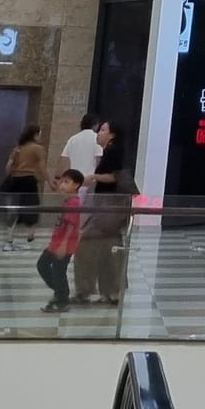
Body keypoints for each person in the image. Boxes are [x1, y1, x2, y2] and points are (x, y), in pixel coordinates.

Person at [75, 122, 135, 307]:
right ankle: (111, 292)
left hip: (108, 207)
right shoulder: (113, 151)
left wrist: (93, 177)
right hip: (111, 207)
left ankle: (86, 291)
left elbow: (114, 177)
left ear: (112, 134)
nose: (98, 133)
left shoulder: (112, 151)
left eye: (103, 130)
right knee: (111, 247)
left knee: (87, 246)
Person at [36, 169, 84, 312]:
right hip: (57, 242)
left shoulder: (74, 203)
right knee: (43, 265)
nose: (62, 185)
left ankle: (62, 299)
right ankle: (61, 293)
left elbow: (71, 224)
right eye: (62, 181)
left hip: (65, 243)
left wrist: (63, 244)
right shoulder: (68, 201)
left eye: (66, 182)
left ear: (76, 185)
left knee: (58, 270)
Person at [3, 123, 46, 242]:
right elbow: (42, 167)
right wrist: (49, 180)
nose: (40, 137)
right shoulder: (38, 148)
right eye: (40, 134)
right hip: (29, 180)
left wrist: (10, 177)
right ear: (35, 135)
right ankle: (30, 235)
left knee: (15, 207)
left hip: (15, 180)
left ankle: (10, 235)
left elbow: (8, 165)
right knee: (32, 205)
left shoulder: (18, 148)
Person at [61, 112, 102, 184]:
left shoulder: (73, 139)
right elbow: (98, 159)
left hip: (74, 179)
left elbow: (64, 158)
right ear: (95, 125)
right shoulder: (97, 138)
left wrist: (59, 177)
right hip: (90, 179)